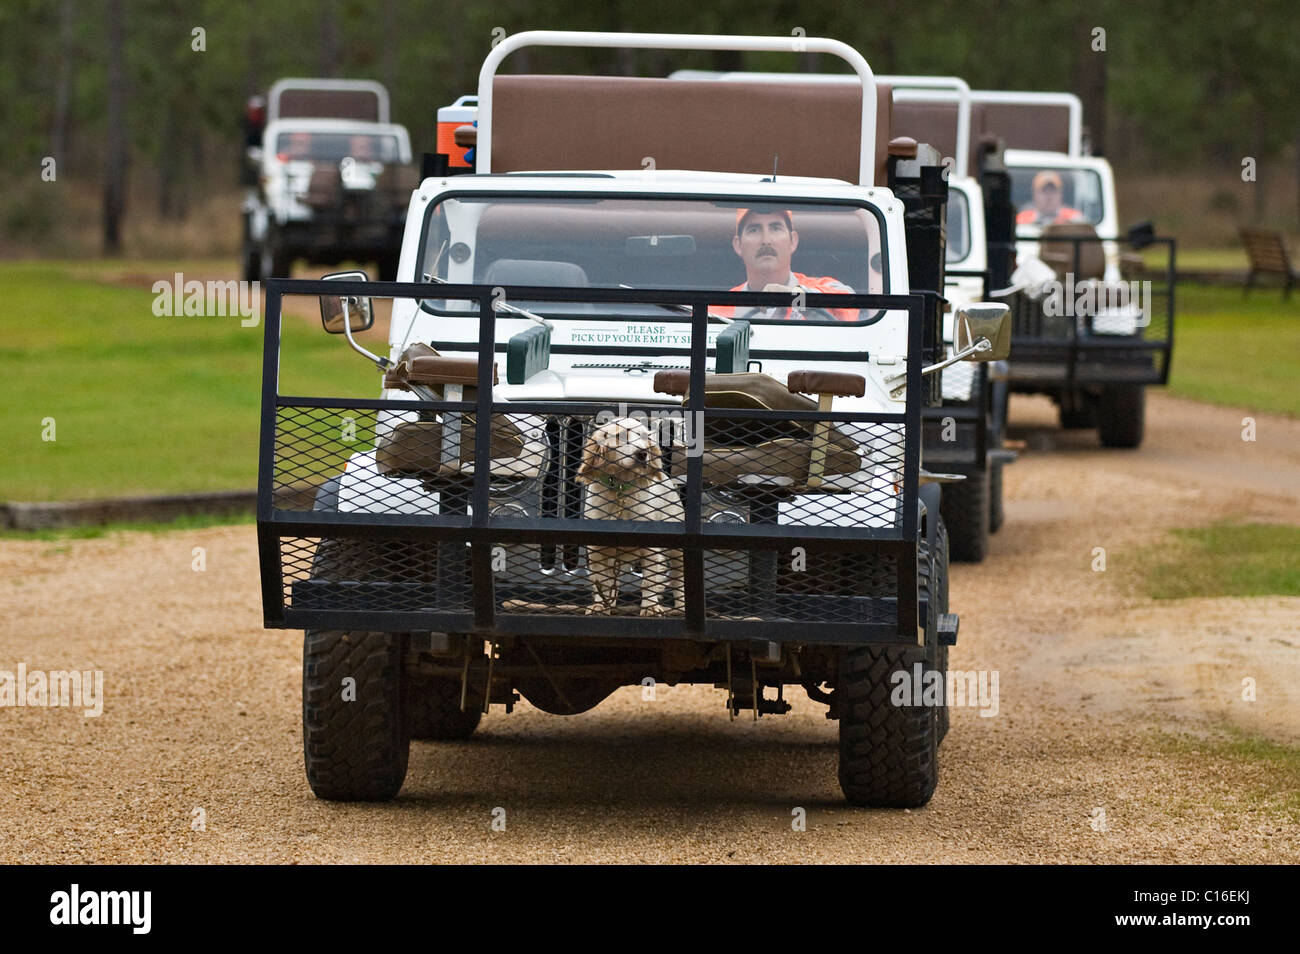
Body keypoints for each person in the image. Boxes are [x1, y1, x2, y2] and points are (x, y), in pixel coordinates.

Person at [717, 208, 858, 321]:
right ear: (738, 245)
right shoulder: (718, 308)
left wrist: (796, 297)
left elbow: (850, 304)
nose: (766, 240)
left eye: (775, 228)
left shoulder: (822, 288)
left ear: (793, 241)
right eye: (754, 230)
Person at [1016, 170, 1083, 226]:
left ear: (1061, 194)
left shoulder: (1074, 218)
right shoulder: (1022, 219)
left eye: (1053, 191)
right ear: (1034, 195)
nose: (1049, 197)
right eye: (1044, 191)